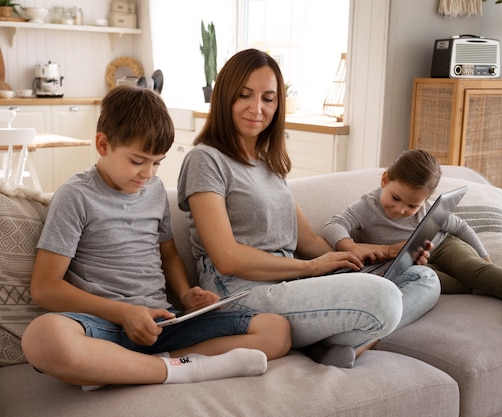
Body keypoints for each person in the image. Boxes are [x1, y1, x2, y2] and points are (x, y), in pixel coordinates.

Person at [176, 48, 441, 369]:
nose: (256, 108)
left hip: (289, 284)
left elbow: (311, 244)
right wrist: (310, 268)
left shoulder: (270, 165)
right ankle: (348, 337)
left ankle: (340, 342)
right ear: (223, 97)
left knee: (422, 278)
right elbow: (227, 257)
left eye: (268, 99)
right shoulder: (205, 159)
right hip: (238, 290)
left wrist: (387, 252)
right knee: (382, 298)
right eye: (244, 95)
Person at [21, 86, 291, 391]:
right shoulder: (75, 196)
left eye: (157, 162)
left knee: (276, 329)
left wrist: (186, 296)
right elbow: (44, 288)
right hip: (103, 325)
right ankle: (180, 369)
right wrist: (124, 313)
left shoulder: (154, 190)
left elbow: (169, 255)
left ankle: (123, 369)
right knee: (43, 337)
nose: (147, 173)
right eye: (137, 161)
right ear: (102, 144)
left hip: (163, 324)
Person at [322, 149, 502, 327]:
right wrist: (350, 246)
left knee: (471, 267)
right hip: (412, 262)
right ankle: (484, 284)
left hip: (444, 245)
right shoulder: (366, 206)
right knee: (433, 281)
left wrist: (484, 257)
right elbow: (334, 225)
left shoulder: (427, 209)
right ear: (384, 180)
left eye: (412, 205)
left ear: (425, 199)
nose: (401, 209)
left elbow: (461, 227)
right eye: (396, 198)